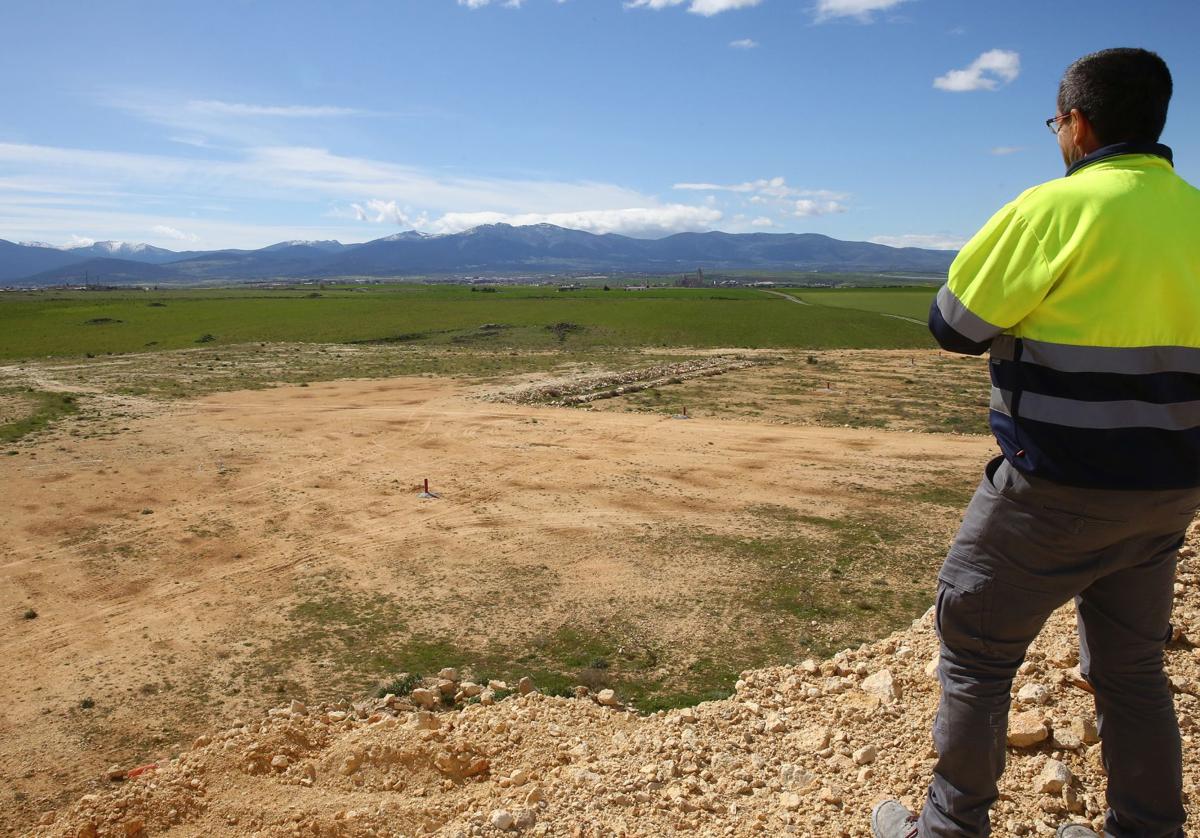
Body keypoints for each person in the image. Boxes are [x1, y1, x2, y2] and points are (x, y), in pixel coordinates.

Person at [871, 48, 1200, 838]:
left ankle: (950, 829)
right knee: (1132, 672)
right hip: (1168, 495)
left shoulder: (1051, 209)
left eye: (1058, 123)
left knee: (976, 657)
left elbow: (953, 326)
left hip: (1051, 491)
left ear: (1078, 124)